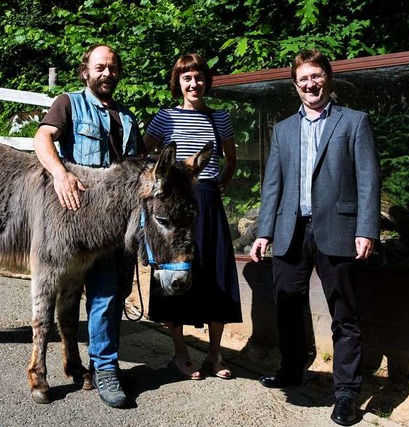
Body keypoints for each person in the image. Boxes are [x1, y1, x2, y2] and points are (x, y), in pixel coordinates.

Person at [249, 49, 380, 426]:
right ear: (295, 85)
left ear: (328, 79)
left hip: (339, 230)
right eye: (304, 78)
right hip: (291, 232)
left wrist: (366, 228)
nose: (311, 84)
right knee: (287, 305)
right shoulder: (283, 129)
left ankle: (345, 394)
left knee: (345, 315)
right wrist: (264, 232)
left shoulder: (354, 122)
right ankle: (292, 370)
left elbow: (369, 179)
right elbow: (272, 185)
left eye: (317, 76)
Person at [33, 44, 143, 408]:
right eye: (100, 67)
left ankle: (100, 364)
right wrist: (60, 174)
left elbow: (138, 171)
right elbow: (42, 138)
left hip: (115, 225)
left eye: (112, 67)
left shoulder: (128, 118)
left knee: (111, 295)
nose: (106, 73)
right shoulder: (68, 103)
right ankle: (102, 366)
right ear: (86, 72)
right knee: (88, 294)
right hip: (76, 220)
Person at [143, 53, 242, 381]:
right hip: (174, 206)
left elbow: (231, 160)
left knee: (216, 276)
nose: (194, 83)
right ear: (178, 83)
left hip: (209, 204)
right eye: (186, 78)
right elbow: (144, 157)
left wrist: (218, 188)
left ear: (206, 81)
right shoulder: (165, 118)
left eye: (198, 77)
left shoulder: (220, 118)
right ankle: (181, 354)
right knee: (175, 273)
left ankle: (215, 354)